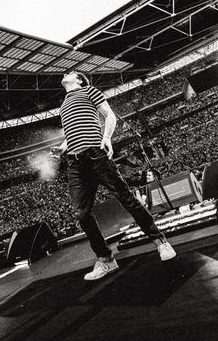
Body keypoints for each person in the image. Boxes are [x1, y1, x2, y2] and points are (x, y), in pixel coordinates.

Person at [59, 71, 176, 280]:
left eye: (71, 72)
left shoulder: (88, 91)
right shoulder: (63, 105)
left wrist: (107, 138)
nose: (66, 73)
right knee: (81, 214)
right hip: (74, 162)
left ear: (78, 80)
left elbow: (109, 115)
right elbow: (71, 134)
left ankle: (161, 242)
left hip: (95, 153)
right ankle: (105, 259)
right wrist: (62, 147)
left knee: (126, 199)